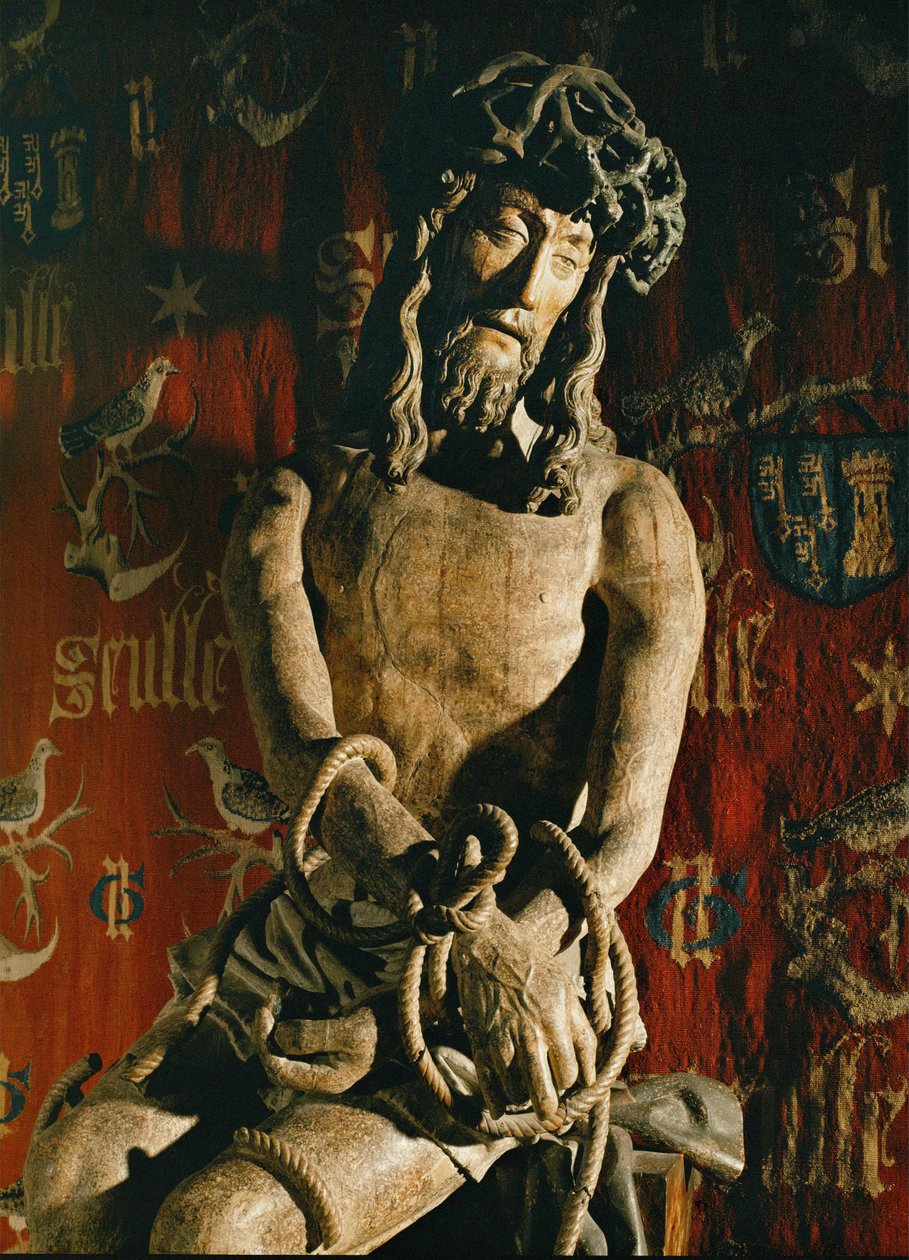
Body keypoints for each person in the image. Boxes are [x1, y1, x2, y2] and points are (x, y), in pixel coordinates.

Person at [24, 53, 703, 1254]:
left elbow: (623, 826)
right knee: (69, 1180)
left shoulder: (629, 517)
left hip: (502, 985)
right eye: (505, 231)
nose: (529, 288)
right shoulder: (296, 503)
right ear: (434, 235)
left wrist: (504, 955)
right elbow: (303, 754)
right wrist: (455, 924)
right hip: (308, 954)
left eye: (568, 254)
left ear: (592, 286)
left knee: (213, 1232)